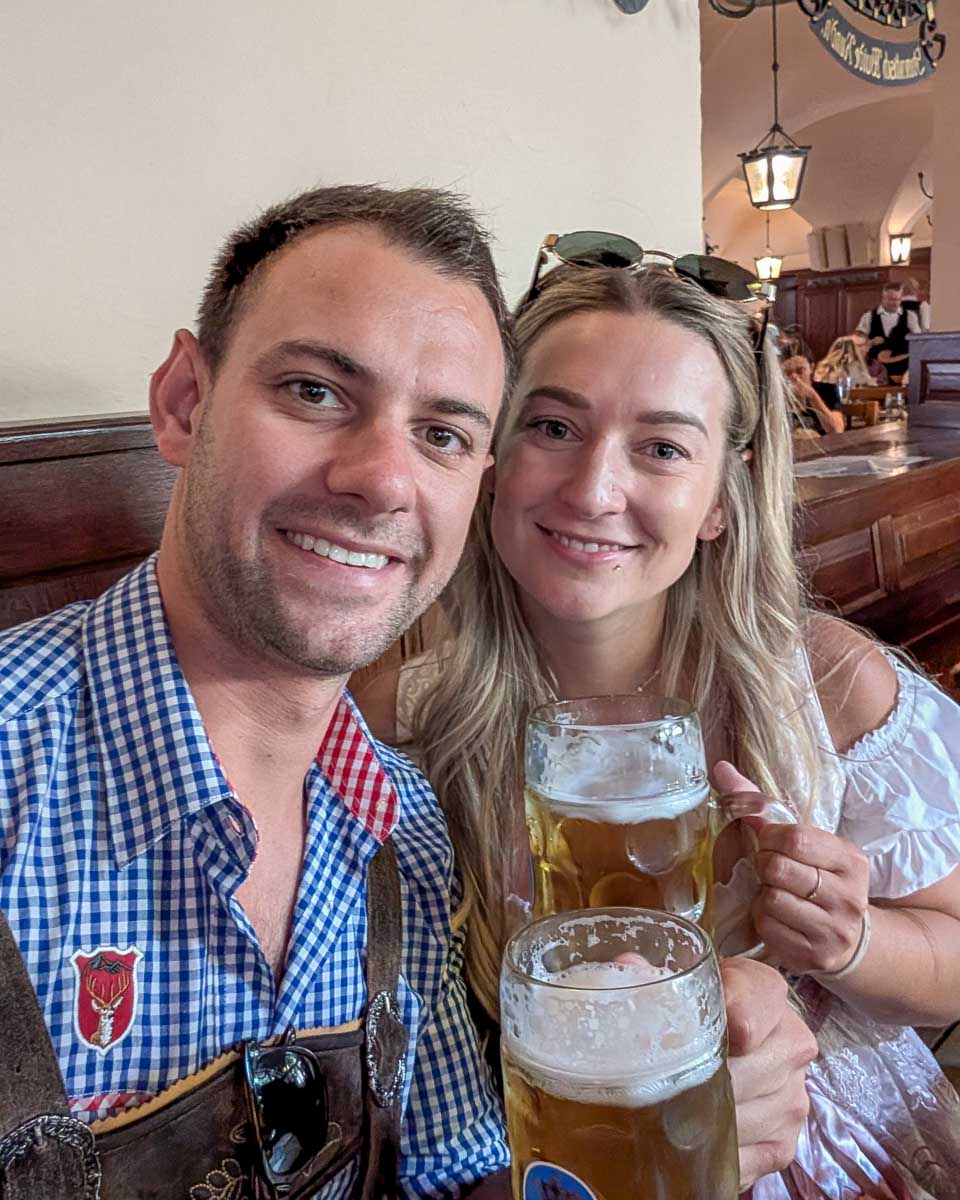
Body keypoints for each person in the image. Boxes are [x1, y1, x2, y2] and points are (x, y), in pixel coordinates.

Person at [362, 257, 960, 1199]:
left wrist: (848, 944)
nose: (595, 489)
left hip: (828, 1143)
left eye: (663, 449)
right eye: (553, 427)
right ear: (490, 455)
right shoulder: (401, 712)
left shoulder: (823, 682)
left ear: (723, 498)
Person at [0, 184, 518, 1199]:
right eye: (317, 393)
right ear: (185, 402)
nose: (382, 480)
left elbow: (458, 1176)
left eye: (443, 436)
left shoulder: (406, 830)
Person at [857, 281, 921, 384]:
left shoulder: (910, 316)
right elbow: (858, 343)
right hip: (876, 373)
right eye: (891, 299)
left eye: (898, 299)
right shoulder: (869, 317)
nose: (895, 303)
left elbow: (918, 341)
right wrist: (871, 342)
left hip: (902, 371)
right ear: (883, 298)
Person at [783, 354, 845, 435]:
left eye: (800, 371)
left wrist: (813, 396)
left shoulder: (828, 389)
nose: (794, 377)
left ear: (811, 368)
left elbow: (837, 430)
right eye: (788, 373)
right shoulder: (778, 395)